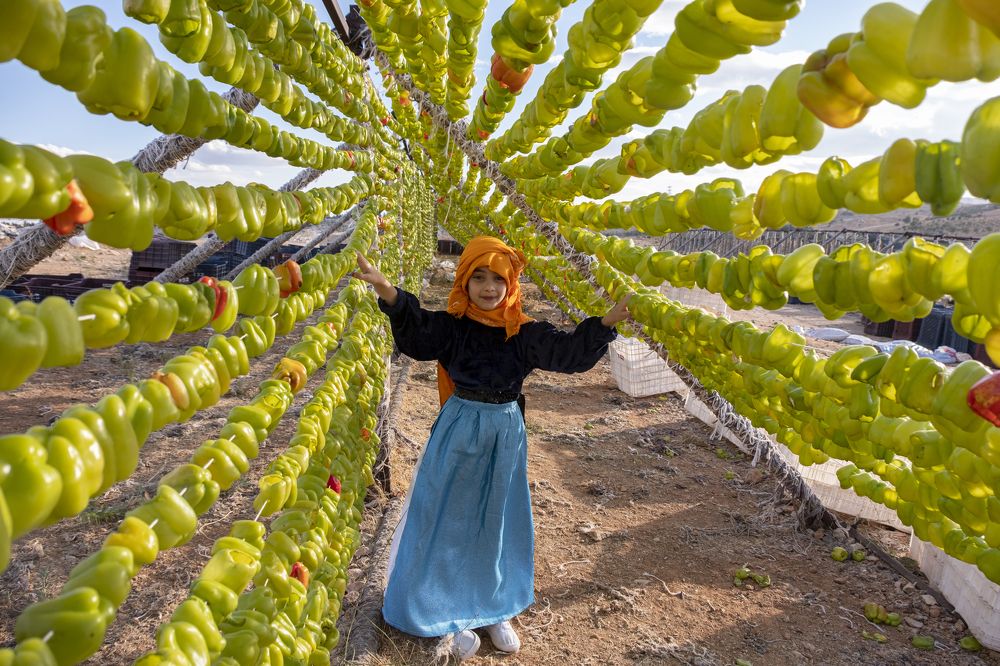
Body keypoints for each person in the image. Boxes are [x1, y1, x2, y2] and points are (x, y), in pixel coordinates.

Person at [353, 236, 630, 661]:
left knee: (496, 519)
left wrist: (607, 322)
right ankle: (448, 610)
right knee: (450, 516)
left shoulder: (522, 331)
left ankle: (492, 607)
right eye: (478, 277)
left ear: (510, 283)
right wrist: (387, 291)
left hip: (504, 433)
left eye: (498, 278)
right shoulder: (454, 327)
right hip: (460, 429)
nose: (488, 287)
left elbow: (568, 353)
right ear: (464, 281)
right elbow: (418, 335)